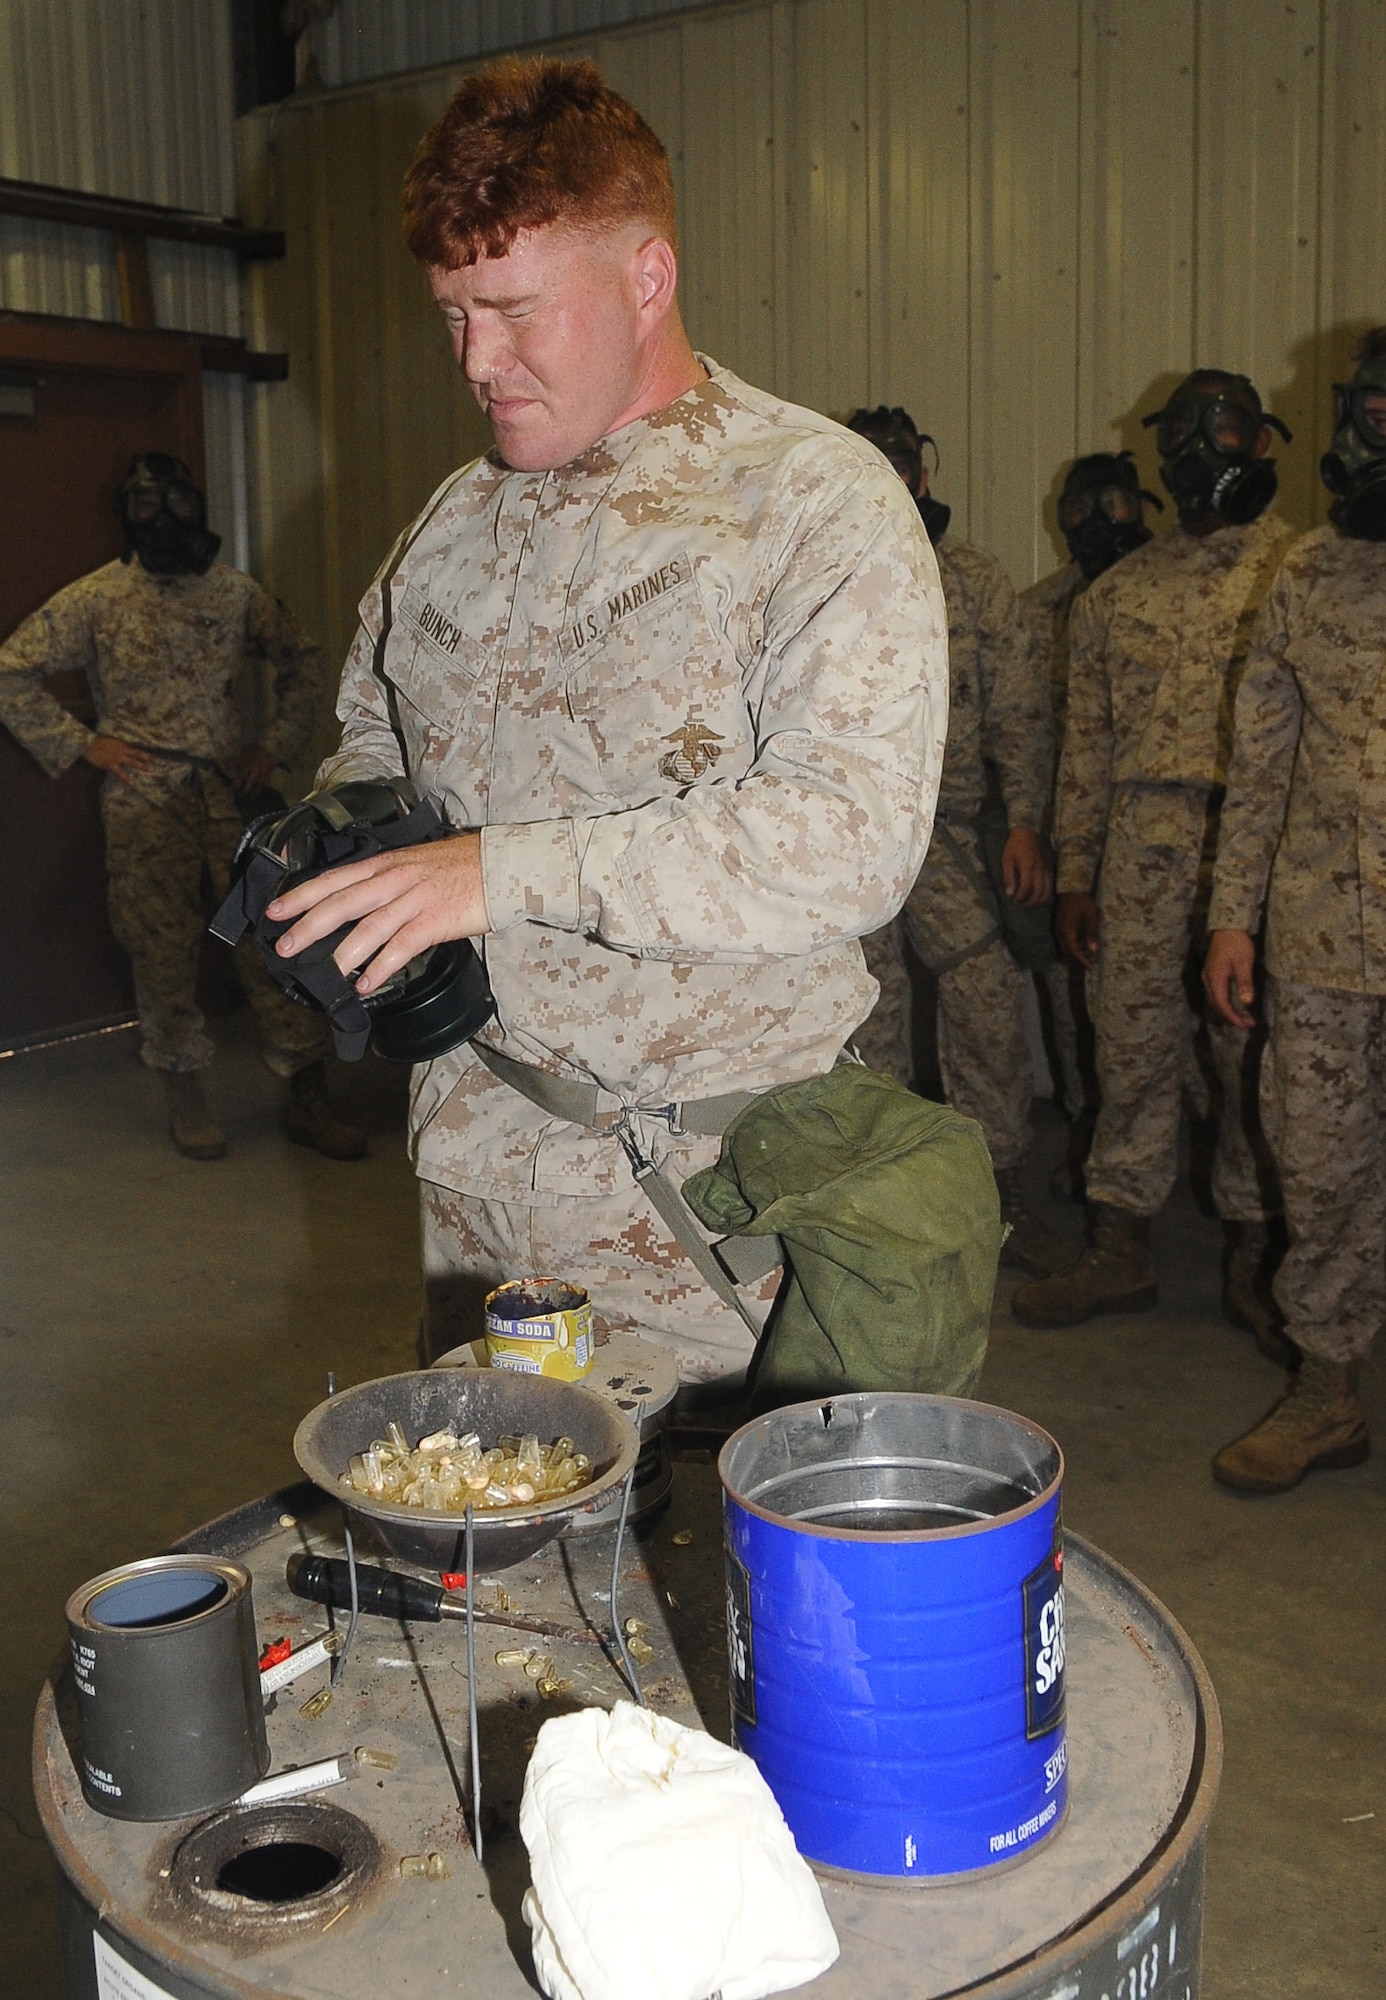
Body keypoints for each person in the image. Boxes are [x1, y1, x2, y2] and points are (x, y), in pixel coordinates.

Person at [264, 59, 948, 1384]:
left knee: (709, 1569)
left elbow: (849, 839)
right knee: (492, 1551)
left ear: (646, 279)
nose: (475, 359)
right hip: (476, 1187)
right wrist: (352, 842)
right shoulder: (452, 526)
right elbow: (373, 726)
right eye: (453, 313)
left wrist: (494, 873)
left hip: (714, 1219)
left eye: (514, 309)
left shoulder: (807, 503)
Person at [1012, 371, 1296, 1343]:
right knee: (1126, 1044)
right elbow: (1085, 747)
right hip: (1138, 851)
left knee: (1248, 1054)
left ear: (1261, 442)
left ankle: (1261, 1259)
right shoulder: (1117, 595)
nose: (1198, 452)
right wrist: (1079, 874)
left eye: (1219, 431)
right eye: (1179, 435)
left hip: (1251, 852)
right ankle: (1120, 1244)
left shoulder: (1298, 571)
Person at [0, 453, 364, 1162]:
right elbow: (11, 670)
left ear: (197, 508)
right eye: (145, 508)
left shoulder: (232, 594)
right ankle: (184, 1087)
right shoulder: (98, 598)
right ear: (127, 517)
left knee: (278, 935)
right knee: (160, 946)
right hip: (144, 799)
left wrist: (275, 745)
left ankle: (307, 1089)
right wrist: (84, 745)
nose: (164, 520)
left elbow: (305, 658)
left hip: (233, 796)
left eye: (177, 504)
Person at [1202, 329, 1386, 1490]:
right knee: (1317, 1163)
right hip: (1321, 934)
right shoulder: (1308, 574)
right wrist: (1233, 915)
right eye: (1373, 407)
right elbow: (1261, 761)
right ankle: (1328, 1388)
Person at [846, 406, 1057, 1273]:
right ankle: (879, 1198)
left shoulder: (972, 580)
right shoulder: (820, 573)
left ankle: (998, 1184)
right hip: (851, 840)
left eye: (901, 464)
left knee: (985, 1001)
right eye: (872, 463)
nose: (891, 479)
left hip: (952, 838)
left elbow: (1018, 711)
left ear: (921, 474)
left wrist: (1027, 827)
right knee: (866, 1013)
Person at [1020, 452, 1162, 1189]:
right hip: (1069, 838)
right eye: (1079, 511)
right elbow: (1025, 732)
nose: (1100, 524)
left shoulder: (1177, 594)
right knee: (1075, 1005)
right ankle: (1089, 1137)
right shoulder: (1042, 612)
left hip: (1161, 841)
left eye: (1115, 504)